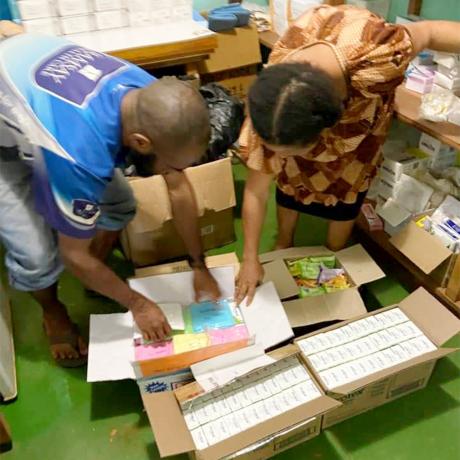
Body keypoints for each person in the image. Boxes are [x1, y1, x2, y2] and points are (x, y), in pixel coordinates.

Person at [0, 21, 221, 366]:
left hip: (31, 95)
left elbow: (178, 186)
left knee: (119, 205)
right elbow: (72, 254)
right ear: (141, 142)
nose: (171, 172)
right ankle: (52, 309)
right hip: (7, 136)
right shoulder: (79, 155)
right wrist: (138, 303)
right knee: (37, 257)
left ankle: (98, 274)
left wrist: (199, 264)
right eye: (167, 164)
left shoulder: (151, 94)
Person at [235, 4, 460, 304]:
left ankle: (336, 251)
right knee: (289, 178)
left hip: (362, 117)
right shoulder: (272, 102)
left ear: (326, 128)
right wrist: (249, 258)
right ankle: (284, 239)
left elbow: (430, 31)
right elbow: (256, 190)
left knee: (349, 182)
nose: (281, 159)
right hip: (315, 99)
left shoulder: (380, 53)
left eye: (291, 152)